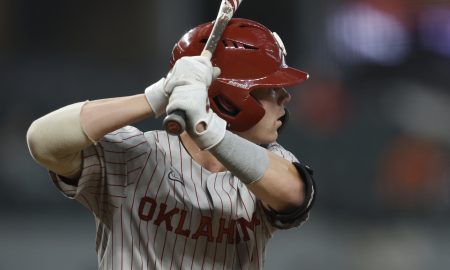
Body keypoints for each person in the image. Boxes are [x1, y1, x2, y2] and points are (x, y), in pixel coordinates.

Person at [26, 18, 315, 270]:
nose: (285, 98)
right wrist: (156, 97)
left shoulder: (267, 162)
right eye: (270, 89)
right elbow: (42, 141)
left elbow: (294, 195)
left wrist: (209, 131)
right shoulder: (136, 153)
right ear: (228, 97)